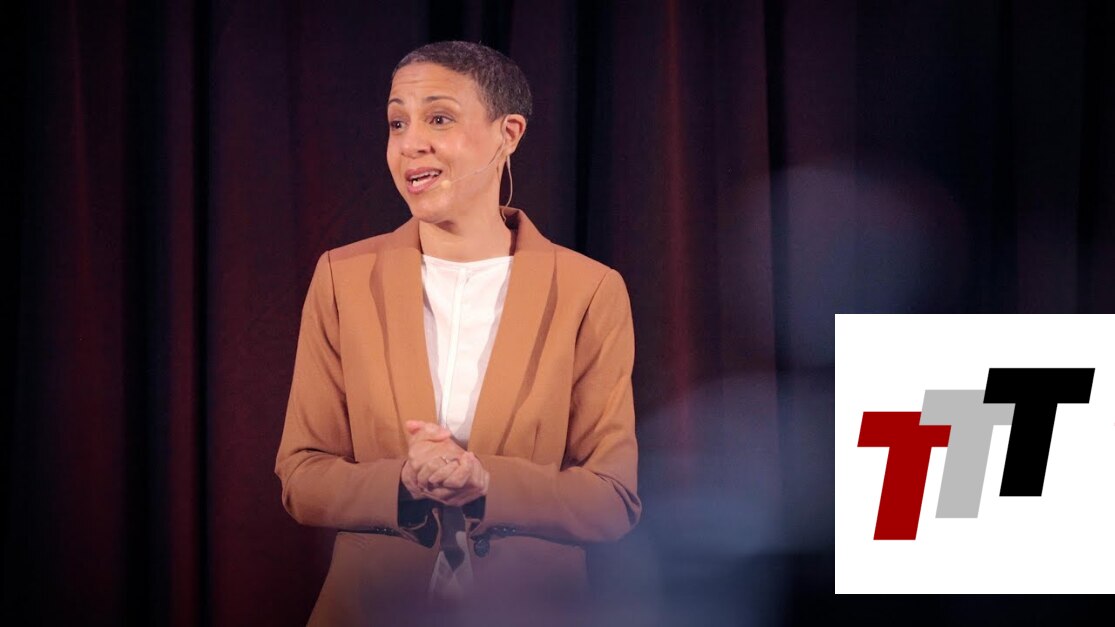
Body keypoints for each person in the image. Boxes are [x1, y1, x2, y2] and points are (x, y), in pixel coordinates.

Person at [275, 40, 640, 624]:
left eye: (439, 118)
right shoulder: (343, 277)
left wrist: (485, 482)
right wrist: (402, 481)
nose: (410, 142)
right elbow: (302, 476)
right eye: (398, 122)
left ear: (508, 134)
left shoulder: (589, 289)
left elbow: (612, 499)